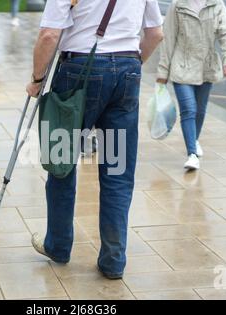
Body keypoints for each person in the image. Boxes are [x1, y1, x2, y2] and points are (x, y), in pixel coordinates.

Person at [26, 0, 164, 280]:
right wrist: (131, 65)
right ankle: (113, 260)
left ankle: (59, 245)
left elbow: (49, 35)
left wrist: (37, 79)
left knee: (61, 161)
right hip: (127, 70)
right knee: (117, 171)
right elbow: (155, 34)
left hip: (77, 74)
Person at [157, 0, 226, 170]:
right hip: (182, 66)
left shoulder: (216, 4)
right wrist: (163, 71)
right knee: (189, 110)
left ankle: (194, 140)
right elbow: (168, 38)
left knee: (200, 111)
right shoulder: (177, 5)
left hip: (206, 67)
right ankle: (192, 154)